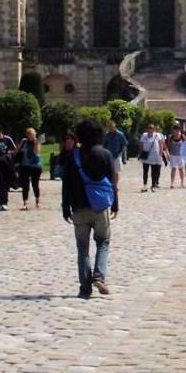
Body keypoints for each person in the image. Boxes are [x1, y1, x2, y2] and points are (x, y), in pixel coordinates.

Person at [61, 119, 118, 299]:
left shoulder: (73, 156)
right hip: (100, 206)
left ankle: (85, 287)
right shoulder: (105, 154)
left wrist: (65, 206)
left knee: (82, 248)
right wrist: (115, 203)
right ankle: (99, 276)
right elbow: (112, 181)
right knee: (103, 242)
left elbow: (66, 184)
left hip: (78, 206)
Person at [16, 127, 43, 210]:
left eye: (31, 134)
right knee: (25, 185)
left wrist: (36, 143)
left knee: (35, 184)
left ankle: (37, 201)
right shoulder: (24, 141)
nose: (30, 136)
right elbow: (17, 150)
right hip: (25, 165)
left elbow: (36, 152)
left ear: (34, 134)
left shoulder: (37, 142)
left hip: (35, 166)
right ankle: (25, 203)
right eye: (28, 134)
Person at [138, 123, 167, 192]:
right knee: (145, 172)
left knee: (154, 172)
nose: (150, 131)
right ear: (147, 129)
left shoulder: (157, 135)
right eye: (149, 129)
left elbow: (161, 145)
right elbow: (141, 144)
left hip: (155, 156)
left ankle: (153, 186)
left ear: (154, 130)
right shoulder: (144, 135)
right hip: (146, 156)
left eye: (151, 130)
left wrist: (160, 154)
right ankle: (145, 186)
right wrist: (140, 153)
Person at [102, 120, 128, 186]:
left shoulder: (120, 134)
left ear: (114, 126)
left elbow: (124, 144)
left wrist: (121, 153)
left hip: (117, 155)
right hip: (108, 156)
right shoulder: (106, 135)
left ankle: (115, 185)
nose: (110, 128)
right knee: (109, 171)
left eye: (111, 127)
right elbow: (103, 145)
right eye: (109, 127)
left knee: (116, 171)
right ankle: (110, 184)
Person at [167, 123, 186, 188]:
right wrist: (168, 155)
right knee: (173, 169)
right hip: (173, 155)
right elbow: (168, 147)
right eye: (175, 130)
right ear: (173, 130)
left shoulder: (182, 137)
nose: (177, 131)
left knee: (181, 169)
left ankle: (182, 182)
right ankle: (172, 183)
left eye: (178, 130)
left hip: (181, 156)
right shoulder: (170, 137)